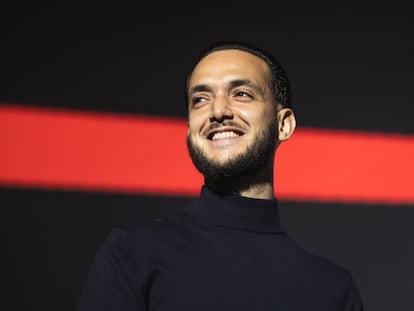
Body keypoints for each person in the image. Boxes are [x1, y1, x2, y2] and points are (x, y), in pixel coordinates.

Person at [76, 40, 364, 310]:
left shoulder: (333, 289)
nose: (217, 111)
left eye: (241, 94)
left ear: (283, 125)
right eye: (200, 99)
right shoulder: (133, 253)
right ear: (190, 129)